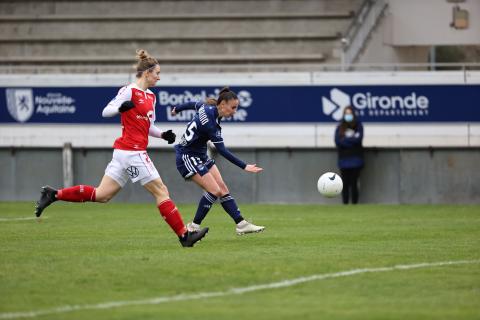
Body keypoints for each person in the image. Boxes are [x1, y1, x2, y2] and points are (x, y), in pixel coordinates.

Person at [34, 49, 208, 247]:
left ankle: (54, 194)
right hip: (132, 152)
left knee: (102, 195)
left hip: (124, 153)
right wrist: (120, 108)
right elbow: (105, 111)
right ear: (147, 73)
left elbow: (148, 125)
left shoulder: (151, 97)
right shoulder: (129, 91)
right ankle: (184, 236)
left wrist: (162, 134)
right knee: (161, 191)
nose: (159, 77)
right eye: (157, 73)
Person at [171, 87, 265, 235]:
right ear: (222, 104)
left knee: (222, 189)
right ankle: (192, 227)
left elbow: (192, 104)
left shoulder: (207, 107)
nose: (235, 111)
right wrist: (244, 166)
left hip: (200, 155)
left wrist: (177, 108)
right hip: (187, 156)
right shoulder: (211, 124)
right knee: (214, 191)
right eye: (233, 107)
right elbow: (222, 151)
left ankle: (241, 224)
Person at [334, 106, 364, 204]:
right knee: (345, 184)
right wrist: (351, 141)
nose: (348, 115)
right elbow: (338, 141)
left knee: (354, 183)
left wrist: (346, 140)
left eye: (350, 113)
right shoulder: (340, 127)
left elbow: (358, 140)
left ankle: (355, 204)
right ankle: (345, 204)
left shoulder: (358, 126)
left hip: (356, 159)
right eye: (346, 113)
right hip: (344, 160)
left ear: (353, 114)